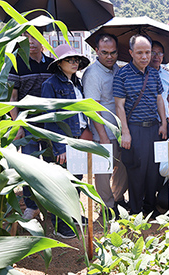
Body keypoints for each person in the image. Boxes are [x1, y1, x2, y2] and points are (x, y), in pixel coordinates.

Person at [113, 34, 167, 215]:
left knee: (153, 171)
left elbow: (160, 99)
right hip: (134, 129)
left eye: (148, 52)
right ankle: (136, 210)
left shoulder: (154, 73)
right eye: (139, 53)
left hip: (154, 128)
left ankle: (150, 208)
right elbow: (119, 106)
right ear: (131, 53)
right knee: (136, 172)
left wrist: (164, 123)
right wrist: (125, 132)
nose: (145, 57)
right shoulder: (122, 74)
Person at [41, 44, 91, 238]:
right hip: (62, 139)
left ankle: (72, 215)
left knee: (76, 179)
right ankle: (60, 223)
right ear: (59, 63)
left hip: (77, 137)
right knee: (61, 183)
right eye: (70, 60)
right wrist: (59, 146)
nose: (74, 63)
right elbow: (50, 117)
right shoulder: (50, 84)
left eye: (76, 60)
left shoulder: (77, 82)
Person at [8, 30, 54, 220]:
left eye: (35, 37)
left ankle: (53, 204)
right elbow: (12, 98)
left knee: (53, 165)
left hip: (51, 124)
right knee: (29, 166)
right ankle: (31, 206)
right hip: (27, 124)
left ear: (44, 41)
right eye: (27, 38)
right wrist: (18, 126)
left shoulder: (53, 64)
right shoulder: (16, 64)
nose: (31, 42)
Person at [82, 33, 128, 217]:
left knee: (123, 168)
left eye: (113, 52)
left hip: (119, 131)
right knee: (103, 173)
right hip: (103, 133)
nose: (109, 56)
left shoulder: (116, 69)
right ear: (96, 51)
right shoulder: (92, 74)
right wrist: (102, 137)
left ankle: (117, 198)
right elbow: (92, 108)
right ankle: (107, 207)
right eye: (104, 52)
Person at [149, 40, 169, 132]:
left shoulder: (167, 75)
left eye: (160, 53)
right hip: (146, 123)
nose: (156, 56)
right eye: (153, 52)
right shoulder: (141, 73)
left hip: (164, 122)